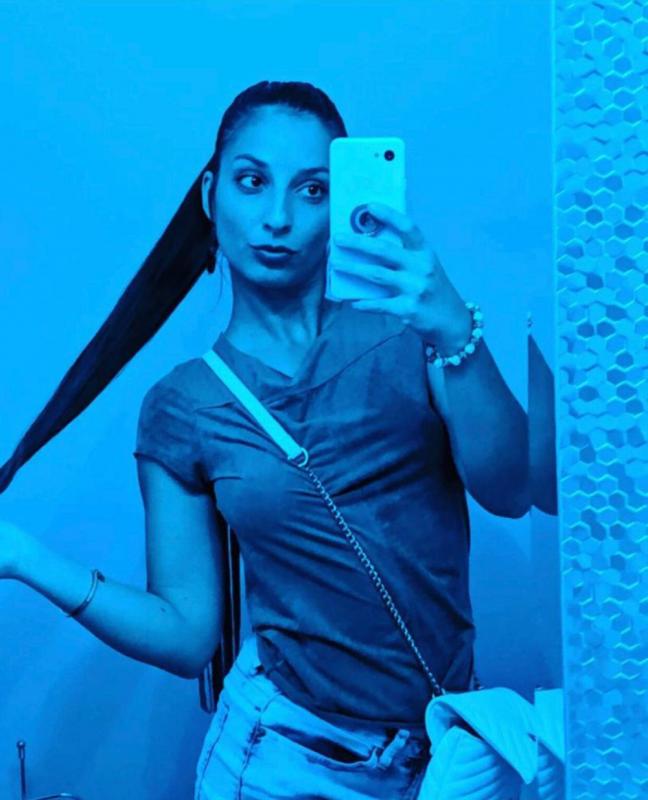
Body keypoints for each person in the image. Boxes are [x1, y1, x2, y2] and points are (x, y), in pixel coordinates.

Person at [0, 80, 529, 799]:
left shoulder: (411, 333)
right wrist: (21, 557)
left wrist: (453, 327)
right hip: (284, 765)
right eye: (252, 182)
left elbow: (511, 489)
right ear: (211, 194)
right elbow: (186, 633)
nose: (277, 217)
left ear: (340, 203)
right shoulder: (185, 405)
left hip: (446, 757)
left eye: (312, 190)